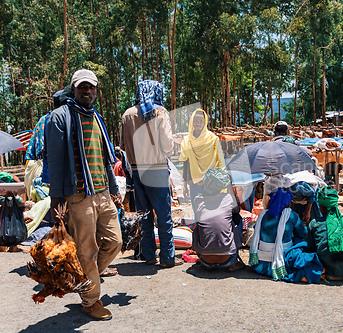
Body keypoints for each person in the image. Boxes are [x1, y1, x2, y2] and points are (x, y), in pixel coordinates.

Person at [46, 69, 121, 320]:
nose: (87, 91)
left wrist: (114, 189)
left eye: (91, 87)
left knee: (116, 242)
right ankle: (91, 300)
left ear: (96, 91)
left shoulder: (97, 118)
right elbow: (54, 163)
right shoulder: (59, 118)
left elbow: (105, 159)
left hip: (102, 193)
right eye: (82, 87)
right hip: (77, 196)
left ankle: (84, 278)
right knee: (87, 251)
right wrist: (56, 202)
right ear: (74, 89)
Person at [120, 80, 181, 268]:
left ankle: (148, 255)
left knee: (144, 215)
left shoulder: (127, 114)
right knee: (164, 216)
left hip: (137, 171)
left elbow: (122, 145)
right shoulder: (160, 112)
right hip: (157, 170)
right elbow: (168, 144)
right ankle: (168, 257)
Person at [191, 168, 245, 271]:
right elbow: (237, 210)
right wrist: (230, 187)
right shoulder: (228, 198)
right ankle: (234, 262)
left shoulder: (198, 200)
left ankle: (206, 254)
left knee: (199, 225)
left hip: (205, 260)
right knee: (238, 219)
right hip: (227, 260)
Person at [249, 188, 307, 280]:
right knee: (301, 242)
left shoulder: (262, 215)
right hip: (283, 259)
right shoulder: (292, 215)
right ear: (288, 202)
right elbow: (303, 233)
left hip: (261, 265)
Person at [179, 109, 225, 204]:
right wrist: (184, 185)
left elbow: (220, 162)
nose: (198, 123)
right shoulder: (187, 140)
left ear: (205, 123)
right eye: (196, 120)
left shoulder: (212, 139)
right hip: (194, 185)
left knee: (210, 214)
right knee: (197, 214)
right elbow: (186, 164)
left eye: (201, 121)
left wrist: (222, 183)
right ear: (192, 122)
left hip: (210, 185)